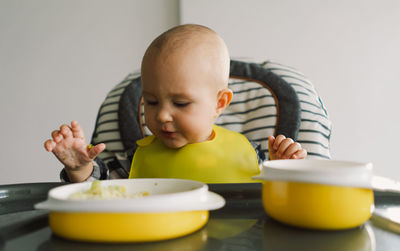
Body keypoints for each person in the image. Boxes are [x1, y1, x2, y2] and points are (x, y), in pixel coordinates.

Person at [44, 24, 307, 183]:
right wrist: (79, 168)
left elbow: (282, 203)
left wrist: (285, 169)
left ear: (220, 103)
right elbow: (99, 192)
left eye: (181, 103)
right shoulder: (135, 160)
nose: (162, 116)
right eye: (152, 101)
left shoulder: (253, 157)